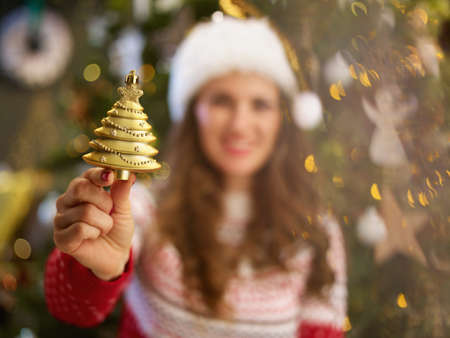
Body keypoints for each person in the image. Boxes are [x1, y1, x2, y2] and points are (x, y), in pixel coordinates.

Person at [44, 16, 347, 338]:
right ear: (192, 114)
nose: (240, 124)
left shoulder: (315, 229)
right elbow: (72, 308)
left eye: (260, 104)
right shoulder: (141, 209)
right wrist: (96, 266)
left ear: (281, 121)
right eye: (221, 101)